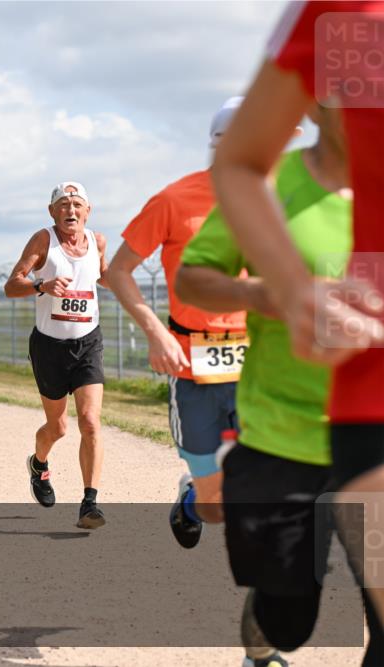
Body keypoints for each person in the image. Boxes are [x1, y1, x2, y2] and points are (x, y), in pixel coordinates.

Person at [210, 1, 384, 655]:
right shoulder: (344, 12)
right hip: (368, 389)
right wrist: (287, 289)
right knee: (290, 616)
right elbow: (240, 161)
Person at [177, 102, 356, 667]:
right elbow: (193, 277)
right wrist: (259, 294)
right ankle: (267, 635)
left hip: (369, 433)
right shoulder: (266, 186)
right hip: (285, 432)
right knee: (289, 613)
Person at [106, 98, 248, 549]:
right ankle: (192, 498)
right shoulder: (174, 200)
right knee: (215, 502)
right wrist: (156, 332)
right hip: (192, 362)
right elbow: (118, 270)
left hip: (259, 362)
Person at [5, 182, 109, 529]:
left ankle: (90, 503)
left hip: (87, 342)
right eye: (63, 204)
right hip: (49, 346)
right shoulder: (43, 241)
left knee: (90, 422)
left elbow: (105, 275)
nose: (71, 210)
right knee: (58, 426)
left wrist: (129, 277)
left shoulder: (97, 241)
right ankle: (38, 463)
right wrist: (40, 285)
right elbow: (11, 285)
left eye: (77, 204)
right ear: (52, 212)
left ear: (88, 211)